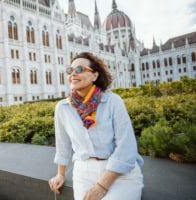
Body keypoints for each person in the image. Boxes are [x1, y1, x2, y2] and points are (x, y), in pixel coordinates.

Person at [48, 52, 144, 200]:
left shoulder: (113, 101)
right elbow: (63, 145)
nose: (73, 74)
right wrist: (60, 174)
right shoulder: (63, 107)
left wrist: (101, 186)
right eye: (70, 70)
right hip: (83, 172)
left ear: (94, 75)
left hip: (120, 173)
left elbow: (126, 147)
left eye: (80, 69)